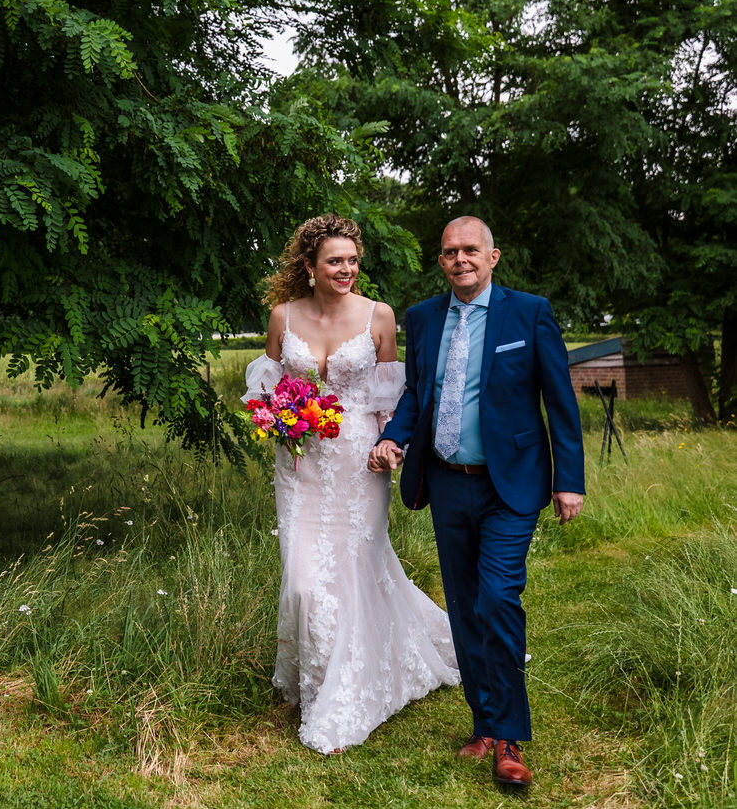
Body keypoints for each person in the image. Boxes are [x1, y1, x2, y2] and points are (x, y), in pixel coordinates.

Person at [367, 216, 585, 788]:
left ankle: (510, 737)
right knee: (464, 606)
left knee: (497, 598)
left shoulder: (529, 312)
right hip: (445, 480)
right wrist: (393, 435)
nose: (459, 259)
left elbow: (559, 399)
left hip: (509, 484)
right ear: (441, 261)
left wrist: (571, 479)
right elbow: (418, 392)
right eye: (448, 252)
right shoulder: (423, 318)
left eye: (470, 250)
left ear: (493, 257)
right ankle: (484, 722)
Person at [244, 214, 461, 755]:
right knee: (301, 579)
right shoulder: (282, 316)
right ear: (310, 267)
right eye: (334, 261)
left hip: (360, 462)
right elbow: (266, 392)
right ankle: (311, 675)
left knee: (352, 569)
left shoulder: (379, 317)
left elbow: (393, 398)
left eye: (352, 260)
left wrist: (394, 450)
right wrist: (277, 418)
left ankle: (341, 693)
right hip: (300, 467)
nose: (346, 269)